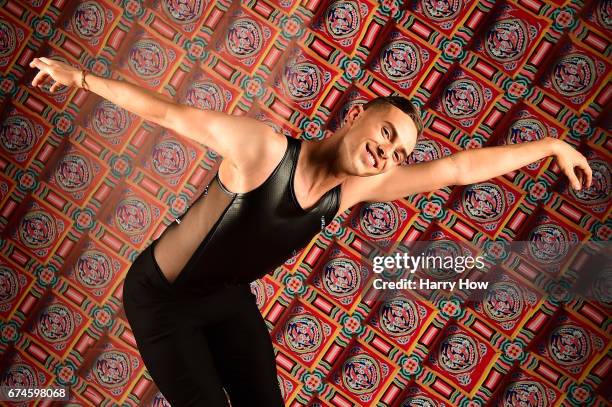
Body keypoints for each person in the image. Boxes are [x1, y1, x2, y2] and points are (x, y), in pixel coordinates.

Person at [29, 57, 592, 407]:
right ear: (363, 113)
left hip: (225, 300)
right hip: (162, 301)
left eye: (399, 155)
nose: (386, 154)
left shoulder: (356, 188)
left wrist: (550, 146)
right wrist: (79, 77)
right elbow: (169, 115)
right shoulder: (263, 151)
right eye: (388, 133)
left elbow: (459, 168)